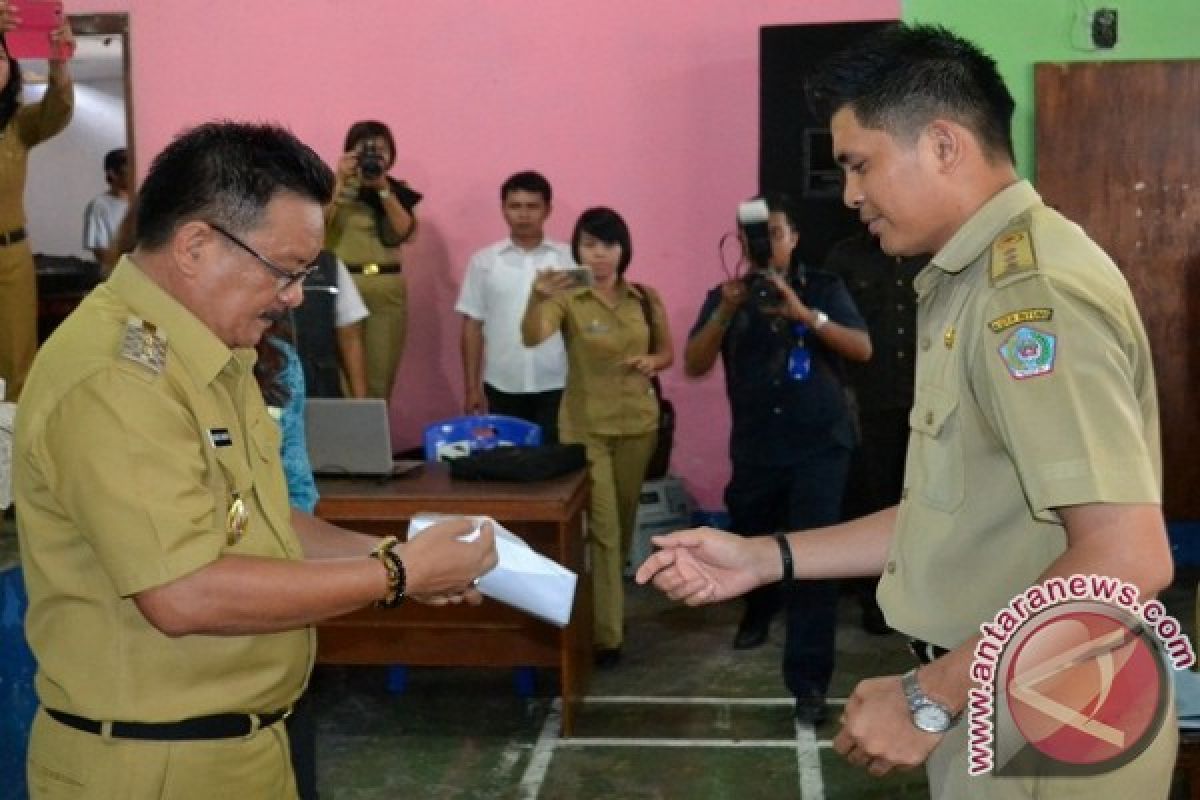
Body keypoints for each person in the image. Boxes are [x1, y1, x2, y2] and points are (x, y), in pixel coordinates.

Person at [637, 23, 1175, 798]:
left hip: (1054, 713)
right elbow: (946, 513)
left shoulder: (1032, 297)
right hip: (1004, 691)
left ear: (944, 145)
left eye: (860, 165)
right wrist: (762, 557)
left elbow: (1128, 559)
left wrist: (931, 696)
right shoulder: (967, 280)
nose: (851, 195)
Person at [13, 121, 496, 798]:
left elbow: (267, 526)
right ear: (195, 246)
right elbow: (182, 593)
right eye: (285, 271)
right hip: (152, 766)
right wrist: (394, 572)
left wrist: (396, 556)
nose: (296, 295)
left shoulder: (212, 355)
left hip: (241, 748)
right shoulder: (118, 379)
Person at [683, 192, 870, 723]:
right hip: (758, 446)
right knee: (752, 536)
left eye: (778, 232)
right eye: (755, 235)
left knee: (812, 560)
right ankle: (758, 610)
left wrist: (803, 314)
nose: (767, 243)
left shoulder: (824, 287)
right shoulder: (726, 296)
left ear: (795, 238)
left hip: (820, 444)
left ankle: (809, 684)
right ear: (741, 242)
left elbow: (862, 347)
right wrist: (725, 308)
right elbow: (695, 362)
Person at [522, 207, 672, 668]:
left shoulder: (644, 297)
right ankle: (607, 636)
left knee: (622, 529)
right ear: (576, 248)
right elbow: (533, 336)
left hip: (639, 426)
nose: (600, 254)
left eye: (608, 244)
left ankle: (609, 609)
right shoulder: (569, 294)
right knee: (604, 530)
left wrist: (653, 362)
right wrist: (536, 296)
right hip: (588, 429)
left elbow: (667, 351)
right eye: (589, 244)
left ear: (623, 249)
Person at [824, 229, 927, 636]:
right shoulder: (845, 257)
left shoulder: (929, 250)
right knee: (876, 499)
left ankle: (925, 595)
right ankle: (877, 600)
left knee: (926, 502)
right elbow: (831, 328)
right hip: (871, 401)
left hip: (928, 401)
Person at [456, 171, 574, 443]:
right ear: (503, 210)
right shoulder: (483, 262)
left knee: (556, 468)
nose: (524, 214)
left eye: (532, 206)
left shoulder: (569, 259)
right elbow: (472, 327)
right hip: (502, 383)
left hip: (558, 383)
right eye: (515, 206)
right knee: (510, 467)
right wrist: (472, 387)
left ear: (548, 210)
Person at [0, 12, 74, 403]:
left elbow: (57, 110)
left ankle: (9, 456)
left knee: (17, 368)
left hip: (11, 257)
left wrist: (58, 60)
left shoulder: (18, 126)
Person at [324, 120, 421, 403]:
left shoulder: (396, 190)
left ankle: (374, 442)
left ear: (391, 155)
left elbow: (404, 231)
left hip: (385, 289)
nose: (372, 157)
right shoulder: (331, 188)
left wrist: (382, 189)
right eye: (364, 150)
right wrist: (339, 183)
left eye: (379, 151)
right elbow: (316, 226)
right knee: (340, 379)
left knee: (380, 378)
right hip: (341, 285)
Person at [288, 252, 370, 399]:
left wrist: (361, 401)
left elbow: (351, 339)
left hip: (321, 387)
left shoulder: (329, 266)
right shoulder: (251, 263)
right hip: (267, 388)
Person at [82, 147, 130, 268]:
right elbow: (101, 252)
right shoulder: (99, 205)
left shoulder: (142, 202)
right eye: (129, 167)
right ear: (112, 174)